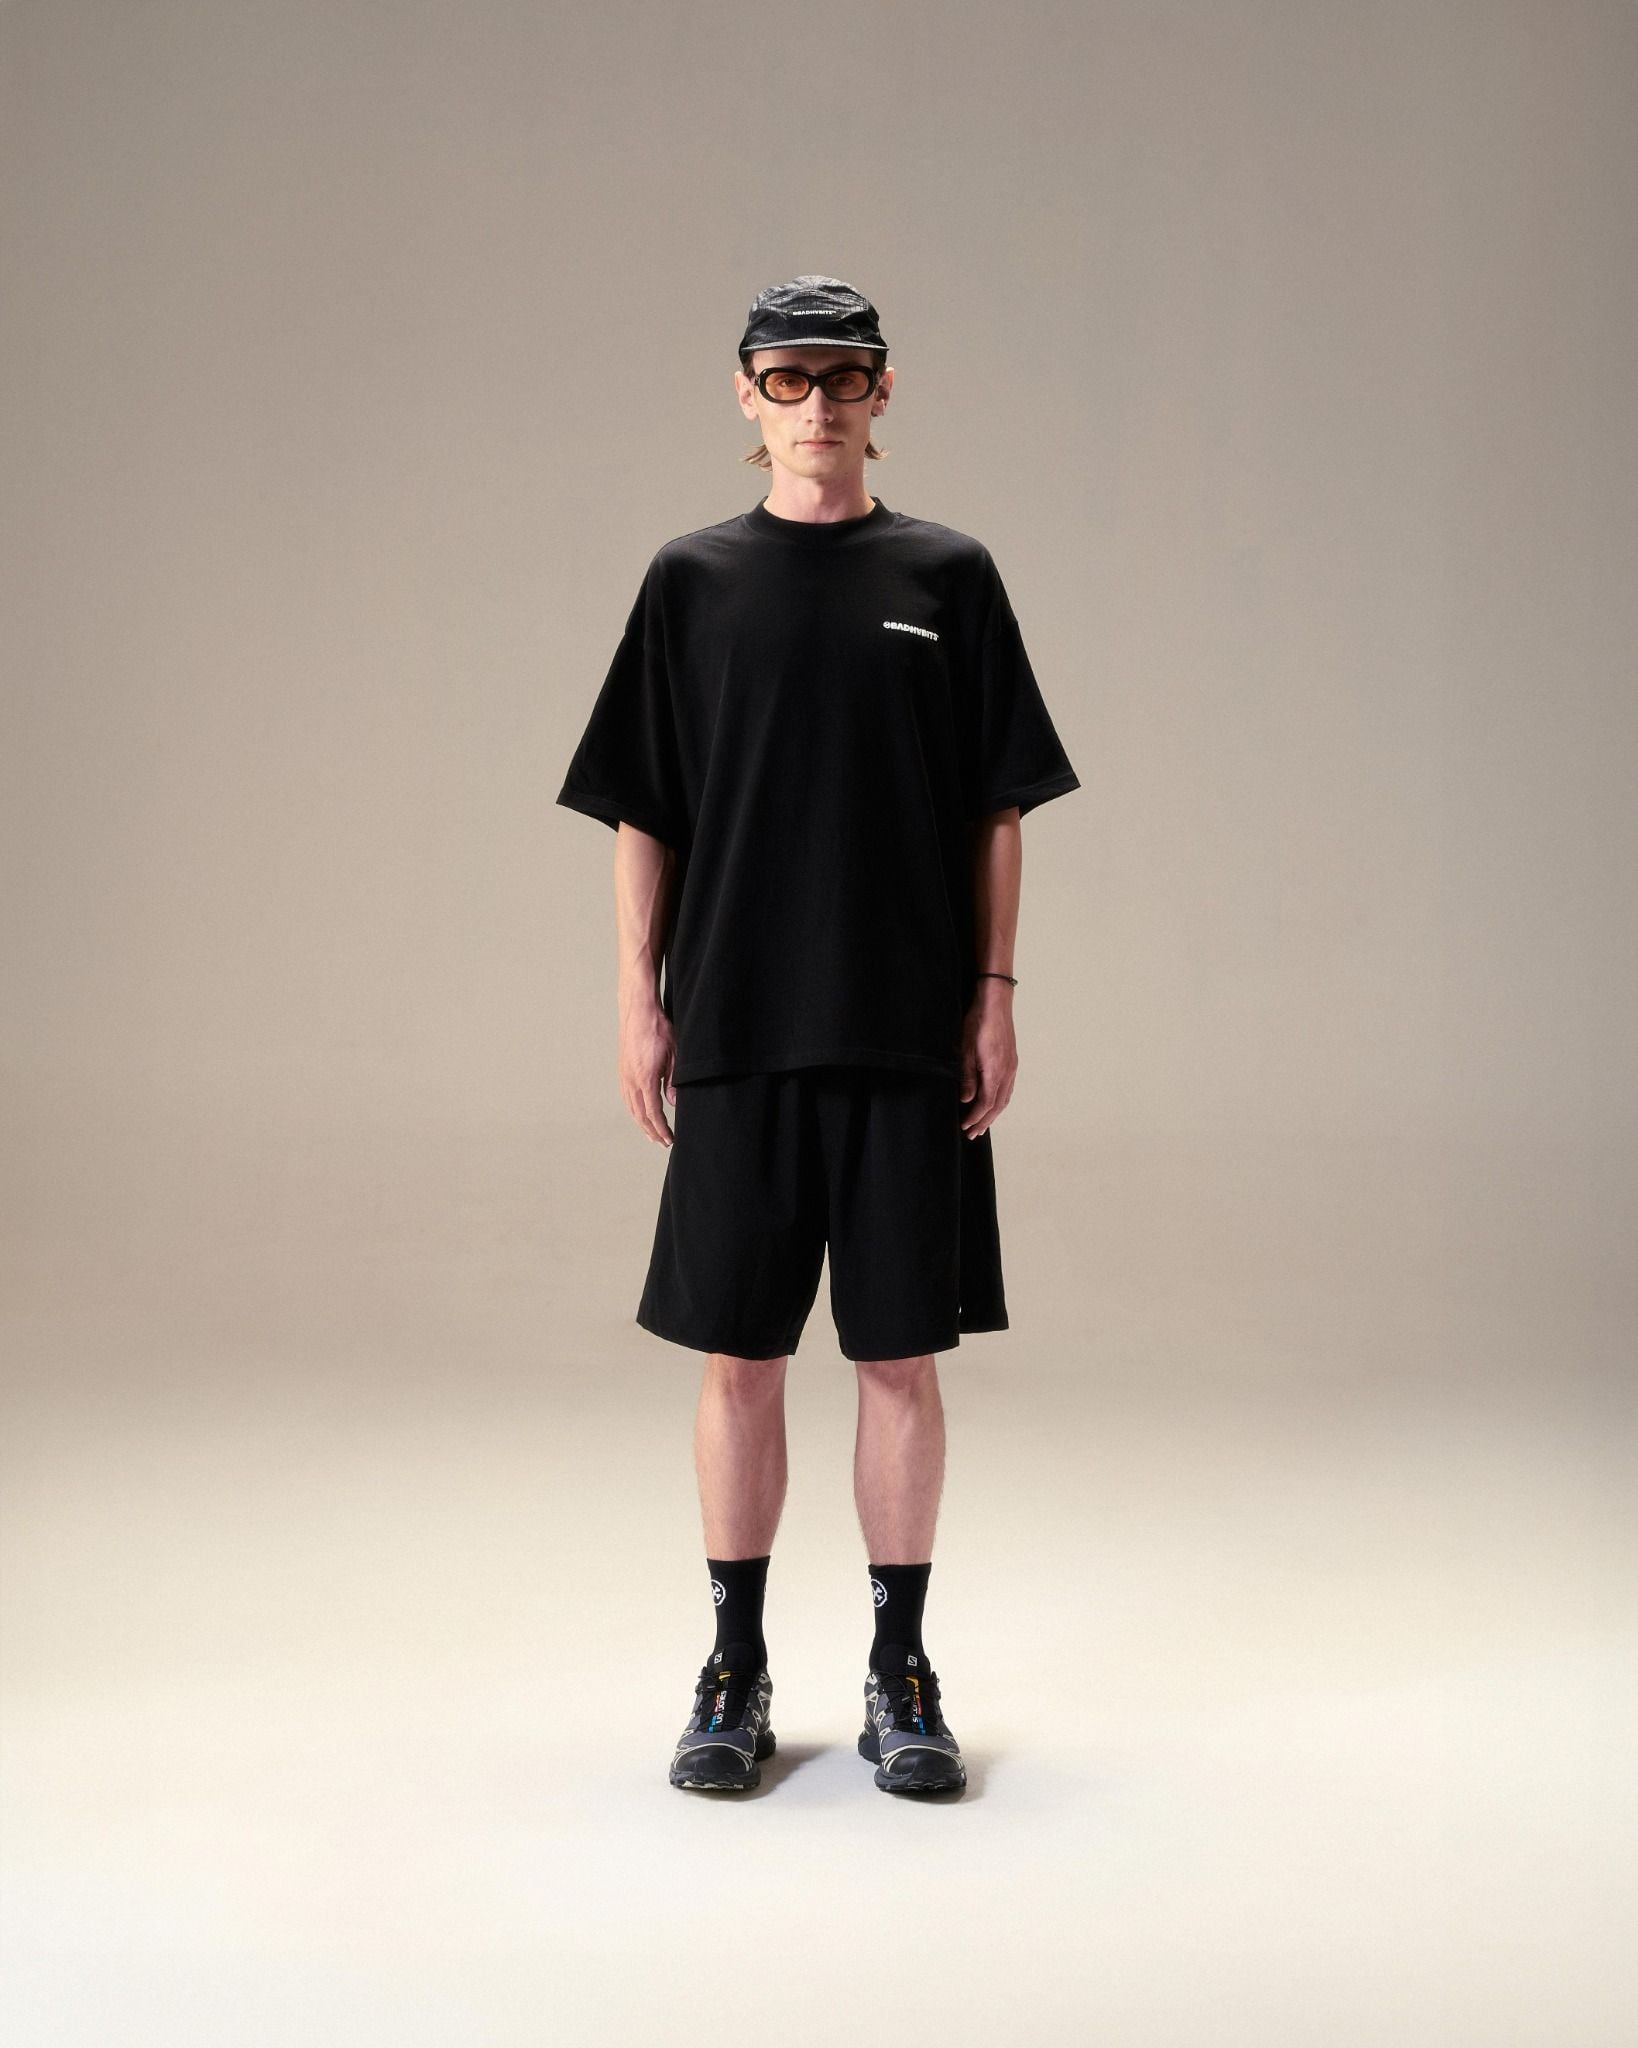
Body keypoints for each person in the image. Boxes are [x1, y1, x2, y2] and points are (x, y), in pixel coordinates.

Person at [556, 275, 1080, 1796]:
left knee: (899, 1356)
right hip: (736, 1020)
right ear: (746, 394)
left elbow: (997, 806)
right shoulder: (691, 581)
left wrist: (993, 994)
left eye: (843, 376)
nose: (817, 403)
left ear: (882, 391)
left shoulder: (948, 574)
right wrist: (638, 997)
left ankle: (900, 1673)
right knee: (740, 1355)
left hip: (907, 1026)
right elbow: (644, 808)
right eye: (787, 378)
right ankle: (733, 1667)